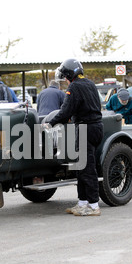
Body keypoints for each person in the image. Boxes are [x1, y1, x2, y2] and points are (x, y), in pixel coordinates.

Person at [45, 58, 103, 217]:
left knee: (87, 168)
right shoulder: (90, 84)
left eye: (65, 76)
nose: (65, 79)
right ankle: (83, 202)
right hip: (96, 127)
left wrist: (50, 123)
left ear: (69, 74)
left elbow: (65, 112)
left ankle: (93, 205)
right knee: (82, 167)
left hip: (86, 128)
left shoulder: (74, 87)